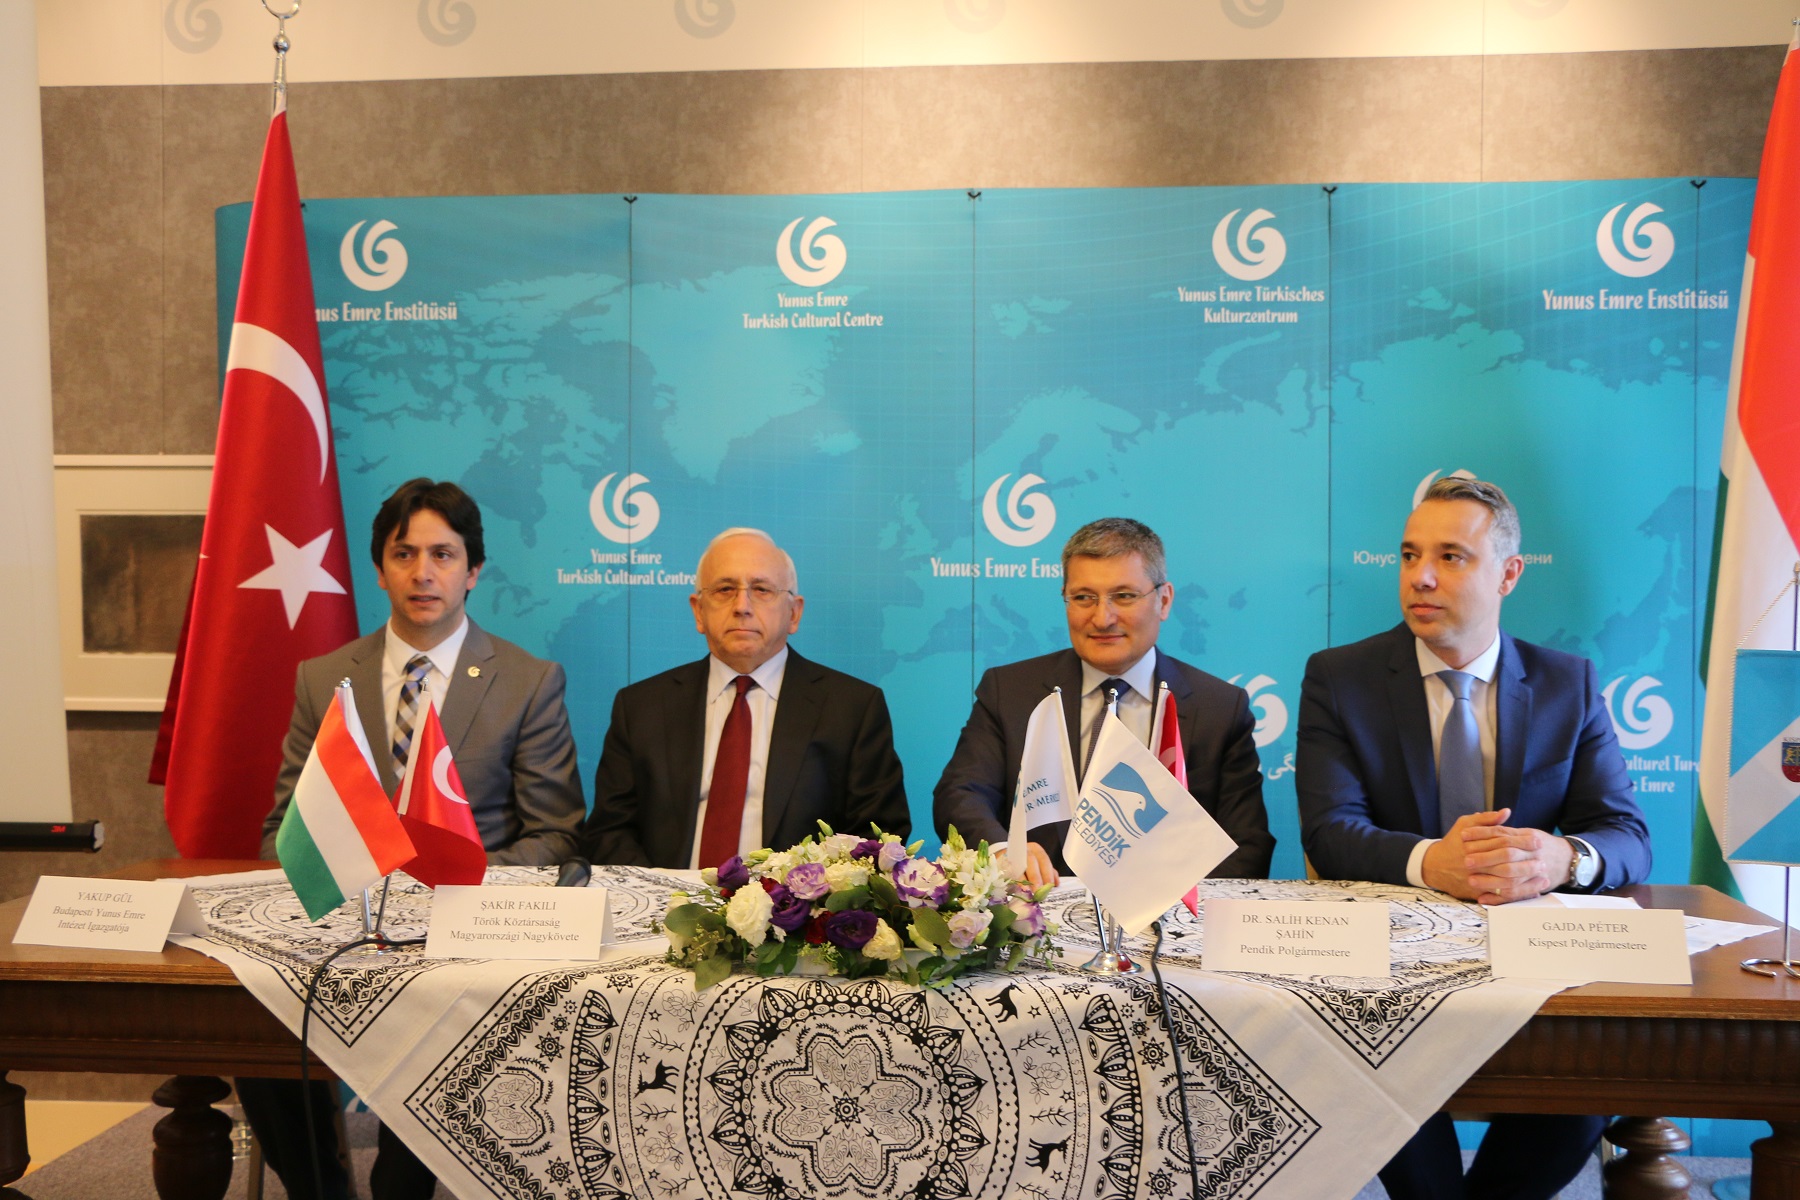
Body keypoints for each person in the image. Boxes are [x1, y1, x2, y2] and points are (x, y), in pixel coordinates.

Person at [1296, 475, 1652, 1200]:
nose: (1421, 577)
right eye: (1410, 555)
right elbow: (1330, 833)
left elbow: (1627, 836)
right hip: (1389, 971)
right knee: (1373, 1060)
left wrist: (1561, 857)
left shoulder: (1567, 684)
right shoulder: (1340, 678)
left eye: (1451, 557)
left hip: (1528, 964)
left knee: (1590, 1074)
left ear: (1508, 574)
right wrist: (1433, 862)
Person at [245, 477, 585, 1200]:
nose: (423, 572)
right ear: (380, 569)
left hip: (466, 941)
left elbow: (555, 836)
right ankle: (319, 1188)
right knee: (256, 1017)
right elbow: (283, 830)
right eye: (405, 554)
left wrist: (451, 883)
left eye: (443, 554)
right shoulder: (323, 679)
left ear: (473, 570)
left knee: (436, 1046)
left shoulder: (527, 681)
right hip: (347, 929)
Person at [934, 517, 1275, 889]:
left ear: (1163, 600)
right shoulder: (1010, 691)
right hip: (1038, 907)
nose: (1102, 618)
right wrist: (1003, 852)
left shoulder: (1219, 708)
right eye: (1084, 597)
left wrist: (1167, 906)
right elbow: (961, 794)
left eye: (1124, 596)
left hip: (1168, 913)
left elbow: (1247, 843)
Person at [582, 527, 910, 867]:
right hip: (665, 897)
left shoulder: (851, 709)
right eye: (725, 589)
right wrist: (661, 893)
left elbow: (877, 837)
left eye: (762, 590)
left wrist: (802, 894)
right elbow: (609, 832)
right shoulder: (641, 707)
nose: (742, 606)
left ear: (794, 613)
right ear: (698, 611)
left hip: (795, 900)